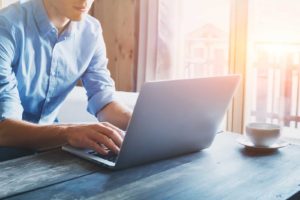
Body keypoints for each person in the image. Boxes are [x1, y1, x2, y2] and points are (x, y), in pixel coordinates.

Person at [0, 0, 132, 161]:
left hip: (49, 147)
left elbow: (104, 101)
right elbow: (4, 129)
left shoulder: (91, 31)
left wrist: (143, 125)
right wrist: (68, 132)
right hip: (7, 151)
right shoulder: (6, 27)